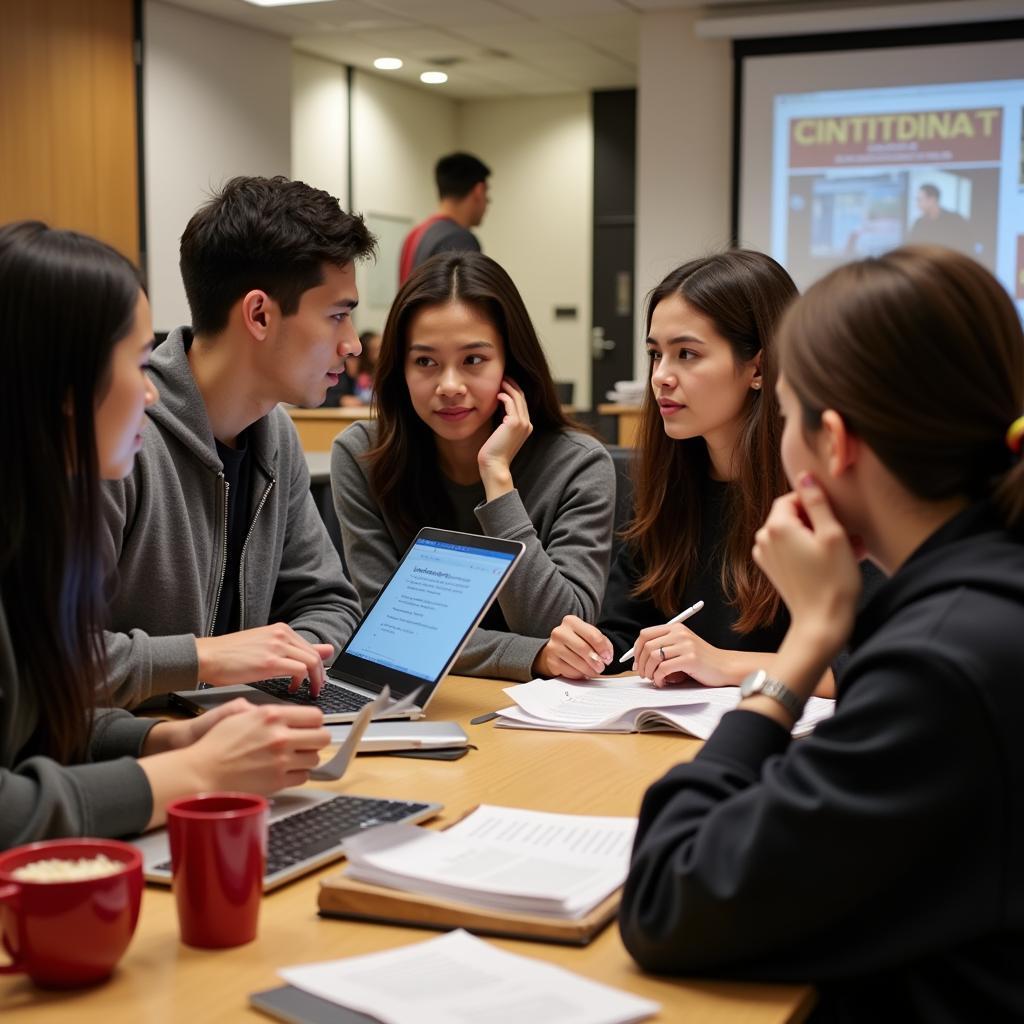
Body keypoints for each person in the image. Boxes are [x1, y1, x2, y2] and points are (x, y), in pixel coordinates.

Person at [619, 245, 1024, 1021]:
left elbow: (670, 899)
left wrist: (802, 650)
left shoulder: (942, 667)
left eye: (790, 410)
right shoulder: (986, 587)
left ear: (831, 442)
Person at [0, 221, 331, 848]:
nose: (150, 389)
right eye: (137, 361)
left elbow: (35, 725)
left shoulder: (30, 530)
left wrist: (164, 739)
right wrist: (195, 772)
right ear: (62, 386)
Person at [101, 176, 375, 708]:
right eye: (338, 315)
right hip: (127, 756)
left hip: (233, 732)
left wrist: (283, 664)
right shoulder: (119, 438)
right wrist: (209, 659)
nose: (353, 343)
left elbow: (329, 599)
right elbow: (53, 663)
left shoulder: (276, 437)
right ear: (259, 314)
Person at [331, 251, 615, 681]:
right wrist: (531, 656)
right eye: (425, 361)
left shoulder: (579, 464)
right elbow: (385, 633)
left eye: (473, 360)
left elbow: (565, 628)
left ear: (511, 362)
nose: (449, 386)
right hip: (423, 709)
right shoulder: (363, 456)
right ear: (399, 369)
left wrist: (497, 476)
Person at [536, 251, 809, 687]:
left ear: (757, 367)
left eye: (686, 354)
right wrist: (587, 651)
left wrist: (724, 664)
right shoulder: (670, 488)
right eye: (655, 354)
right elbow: (626, 631)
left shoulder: (826, 496)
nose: (661, 376)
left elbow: (868, 665)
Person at [398, 152, 490, 284]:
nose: (488, 202)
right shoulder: (460, 239)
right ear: (479, 191)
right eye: (487, 194)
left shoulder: (413, 235)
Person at [907, 182, 972, 253]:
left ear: (932, 200)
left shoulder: (955, 220)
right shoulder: (919, 223)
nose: (917, 205)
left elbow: (966, 245)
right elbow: (912, 247)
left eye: (919, 200)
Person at [324, 329, 381, 407]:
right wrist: (340, 400)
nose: (381, 354)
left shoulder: (376, 374)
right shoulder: (340, 371)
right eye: (377, 350)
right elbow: (320, 398)